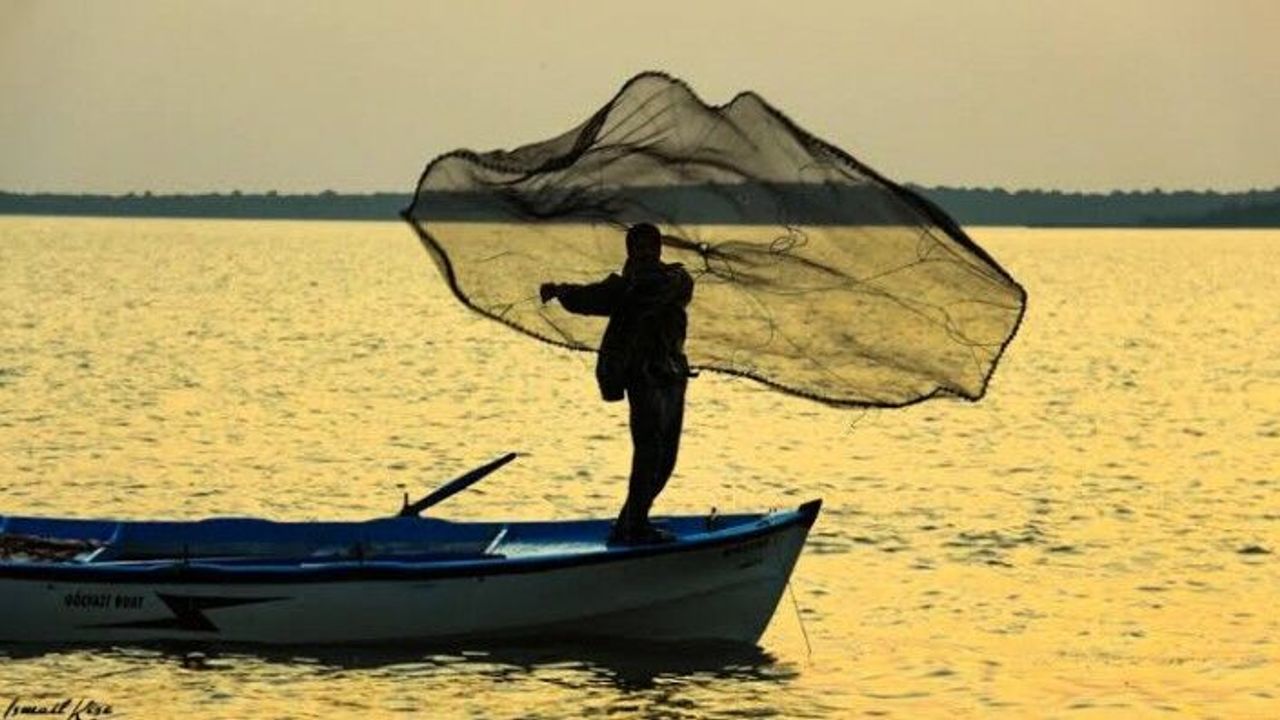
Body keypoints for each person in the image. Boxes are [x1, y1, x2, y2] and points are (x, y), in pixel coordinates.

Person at [540, 223, 694, 545]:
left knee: (667, 459)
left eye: (651, 246)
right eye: (639, 247)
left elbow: (673, 289)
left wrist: (567, 291)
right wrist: (561, 290)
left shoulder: (672, 280)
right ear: (630, 251)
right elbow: (589, 298)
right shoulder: (624, 288)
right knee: (650, 453)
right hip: (644, 378)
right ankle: (634, 527)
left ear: (659, 249)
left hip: (672, 377)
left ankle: (630, 522)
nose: (646, 252)